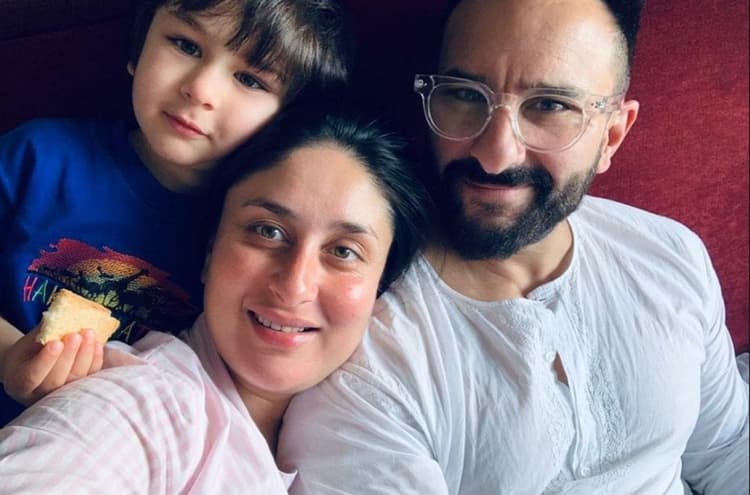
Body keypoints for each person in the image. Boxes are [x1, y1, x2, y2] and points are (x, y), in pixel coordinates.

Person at [276, 0, 750, 493]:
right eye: (465, 95)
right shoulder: (367, 365)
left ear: (612, 136)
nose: (496, 154)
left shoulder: (670, 255)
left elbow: (726, 447)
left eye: (550, 106)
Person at [0, 103, 430, 492]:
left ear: (381, 289)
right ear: (209, 253)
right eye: (267, 231)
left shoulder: (373, 439)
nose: (294, 285)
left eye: (343, 252)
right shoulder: (138, 403)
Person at [0, 0, 352, 425]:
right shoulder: (37, 158)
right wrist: (10, 358)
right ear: (138, 49)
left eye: (249, 79)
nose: (201, 90)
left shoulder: (255, 241)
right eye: (186, 45)